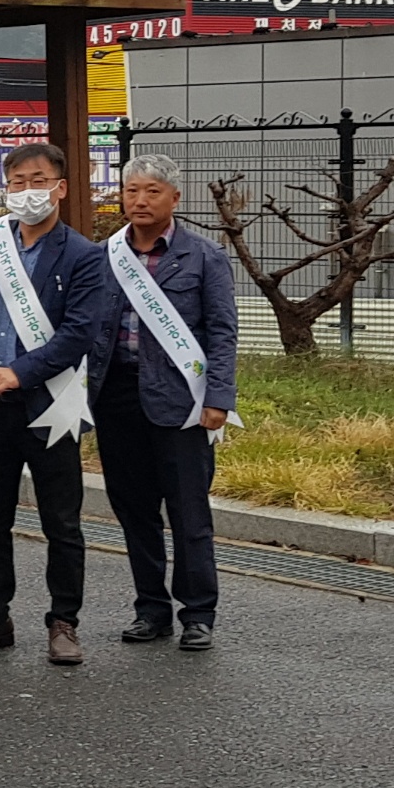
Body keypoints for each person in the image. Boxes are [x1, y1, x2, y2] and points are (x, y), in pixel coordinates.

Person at [0, 142, 111, 665]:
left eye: (37, 181)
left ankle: (64, 621)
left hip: (50, 404)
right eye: (17, 182)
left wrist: (22, 371)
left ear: (60, 187)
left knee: (61, 521)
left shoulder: (84, 254)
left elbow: (79, 332)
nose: (26, 192)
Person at [96, 152, 240, 652]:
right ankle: (150, 610)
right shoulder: (105, 255)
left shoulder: (204, 256)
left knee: (188, 512)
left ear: (174, 198)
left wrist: (219, 397)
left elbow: (222, 331)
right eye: (131, 190)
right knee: (134, 510)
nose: (140, 200)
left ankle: (198, 613)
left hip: (182, 401)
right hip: (116, 397)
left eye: (152, 191)